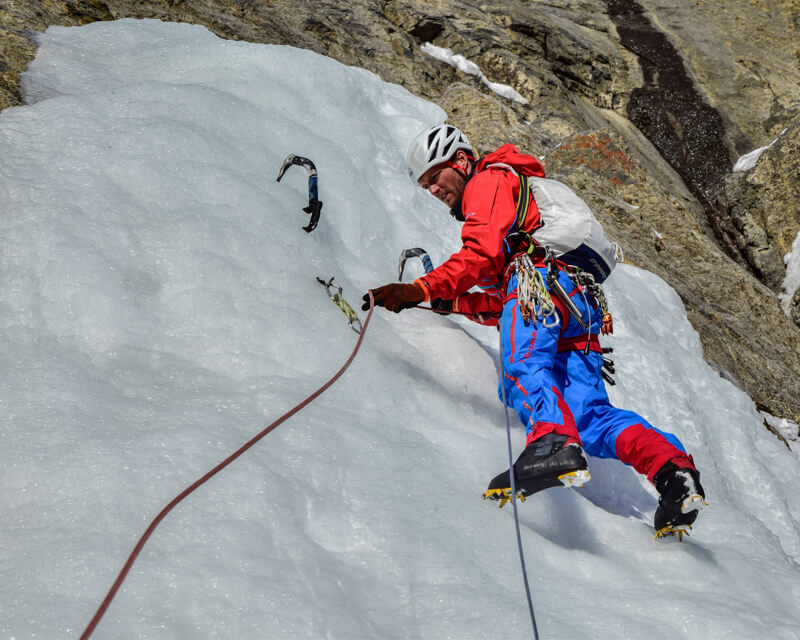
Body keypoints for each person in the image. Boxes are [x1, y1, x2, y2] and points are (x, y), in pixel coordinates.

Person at [363, 124, 707, 538]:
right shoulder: (521, 213)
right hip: (573, 301)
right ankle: (673, 472)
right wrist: (448, 302)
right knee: (589, 416)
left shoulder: (489, 179)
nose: (433, 190)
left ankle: (553, 442)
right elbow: (504, 305)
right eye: (425, 186)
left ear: (460, 161)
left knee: (522, 365)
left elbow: (480, 253)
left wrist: (421, 286)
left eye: (435, 177)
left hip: (540, 283)